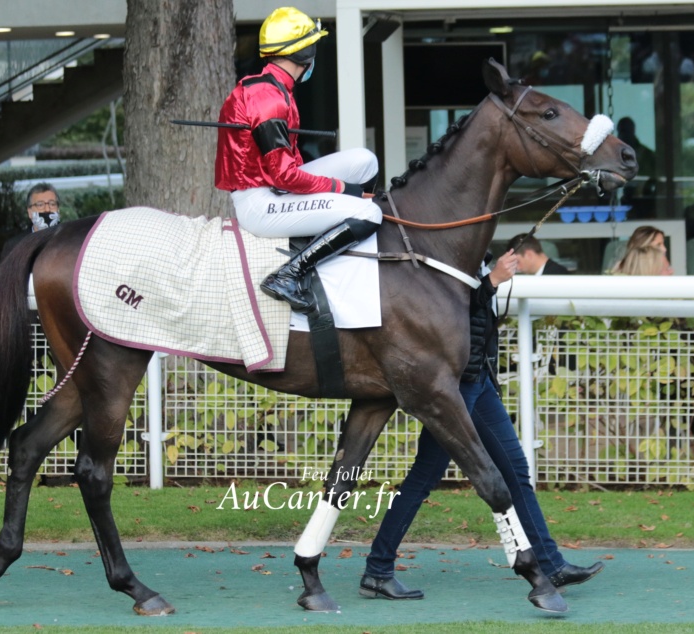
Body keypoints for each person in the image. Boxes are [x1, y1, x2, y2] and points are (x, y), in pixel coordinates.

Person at [360, 250, 603, 600]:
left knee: (515, 470)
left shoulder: (472, 249)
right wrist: (491, 282)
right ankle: (377, 569)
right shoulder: (438, 249)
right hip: (457, 386)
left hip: (477, 381)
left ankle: (551, 564)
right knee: (425, 476)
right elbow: (447, 313)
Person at [215, 6, 382, 314]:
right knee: (369, 214)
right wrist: (346, 190)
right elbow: (286, 178)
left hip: (273, 187)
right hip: (260, 203)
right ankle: (289, 274)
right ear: (306, 52)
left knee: (364, 161)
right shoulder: (270, 100)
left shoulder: (274, 87)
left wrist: (344, 188)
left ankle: (338, 231)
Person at [0, 182, 61, 262]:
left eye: (52, 204)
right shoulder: (14, 246)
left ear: (58, 210)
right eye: (40, 205)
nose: (47, 209)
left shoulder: (71, 241)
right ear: (30, 213)